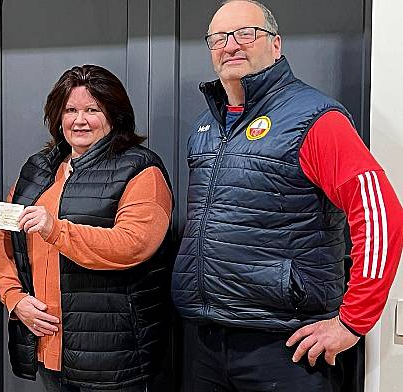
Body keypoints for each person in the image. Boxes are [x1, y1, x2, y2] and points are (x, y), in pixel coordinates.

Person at [172, 1, 403, 391]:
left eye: (246, 34)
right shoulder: (206, 125)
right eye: (218, 38)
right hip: (207, 342)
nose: (230, 45)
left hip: (287, 349)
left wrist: (353, 322)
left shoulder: (314, 119)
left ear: (276, 45)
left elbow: (380, 213)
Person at [0, 64, 173, 391]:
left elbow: (133, 244)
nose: (79, 120)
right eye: (70, 110)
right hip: (48, 348)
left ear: (114, 115)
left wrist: (55, 230)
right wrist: (14, 298)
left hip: (114, 359)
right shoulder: (37, 169)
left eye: (92, 110)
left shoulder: (141, 169)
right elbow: (4, 238)